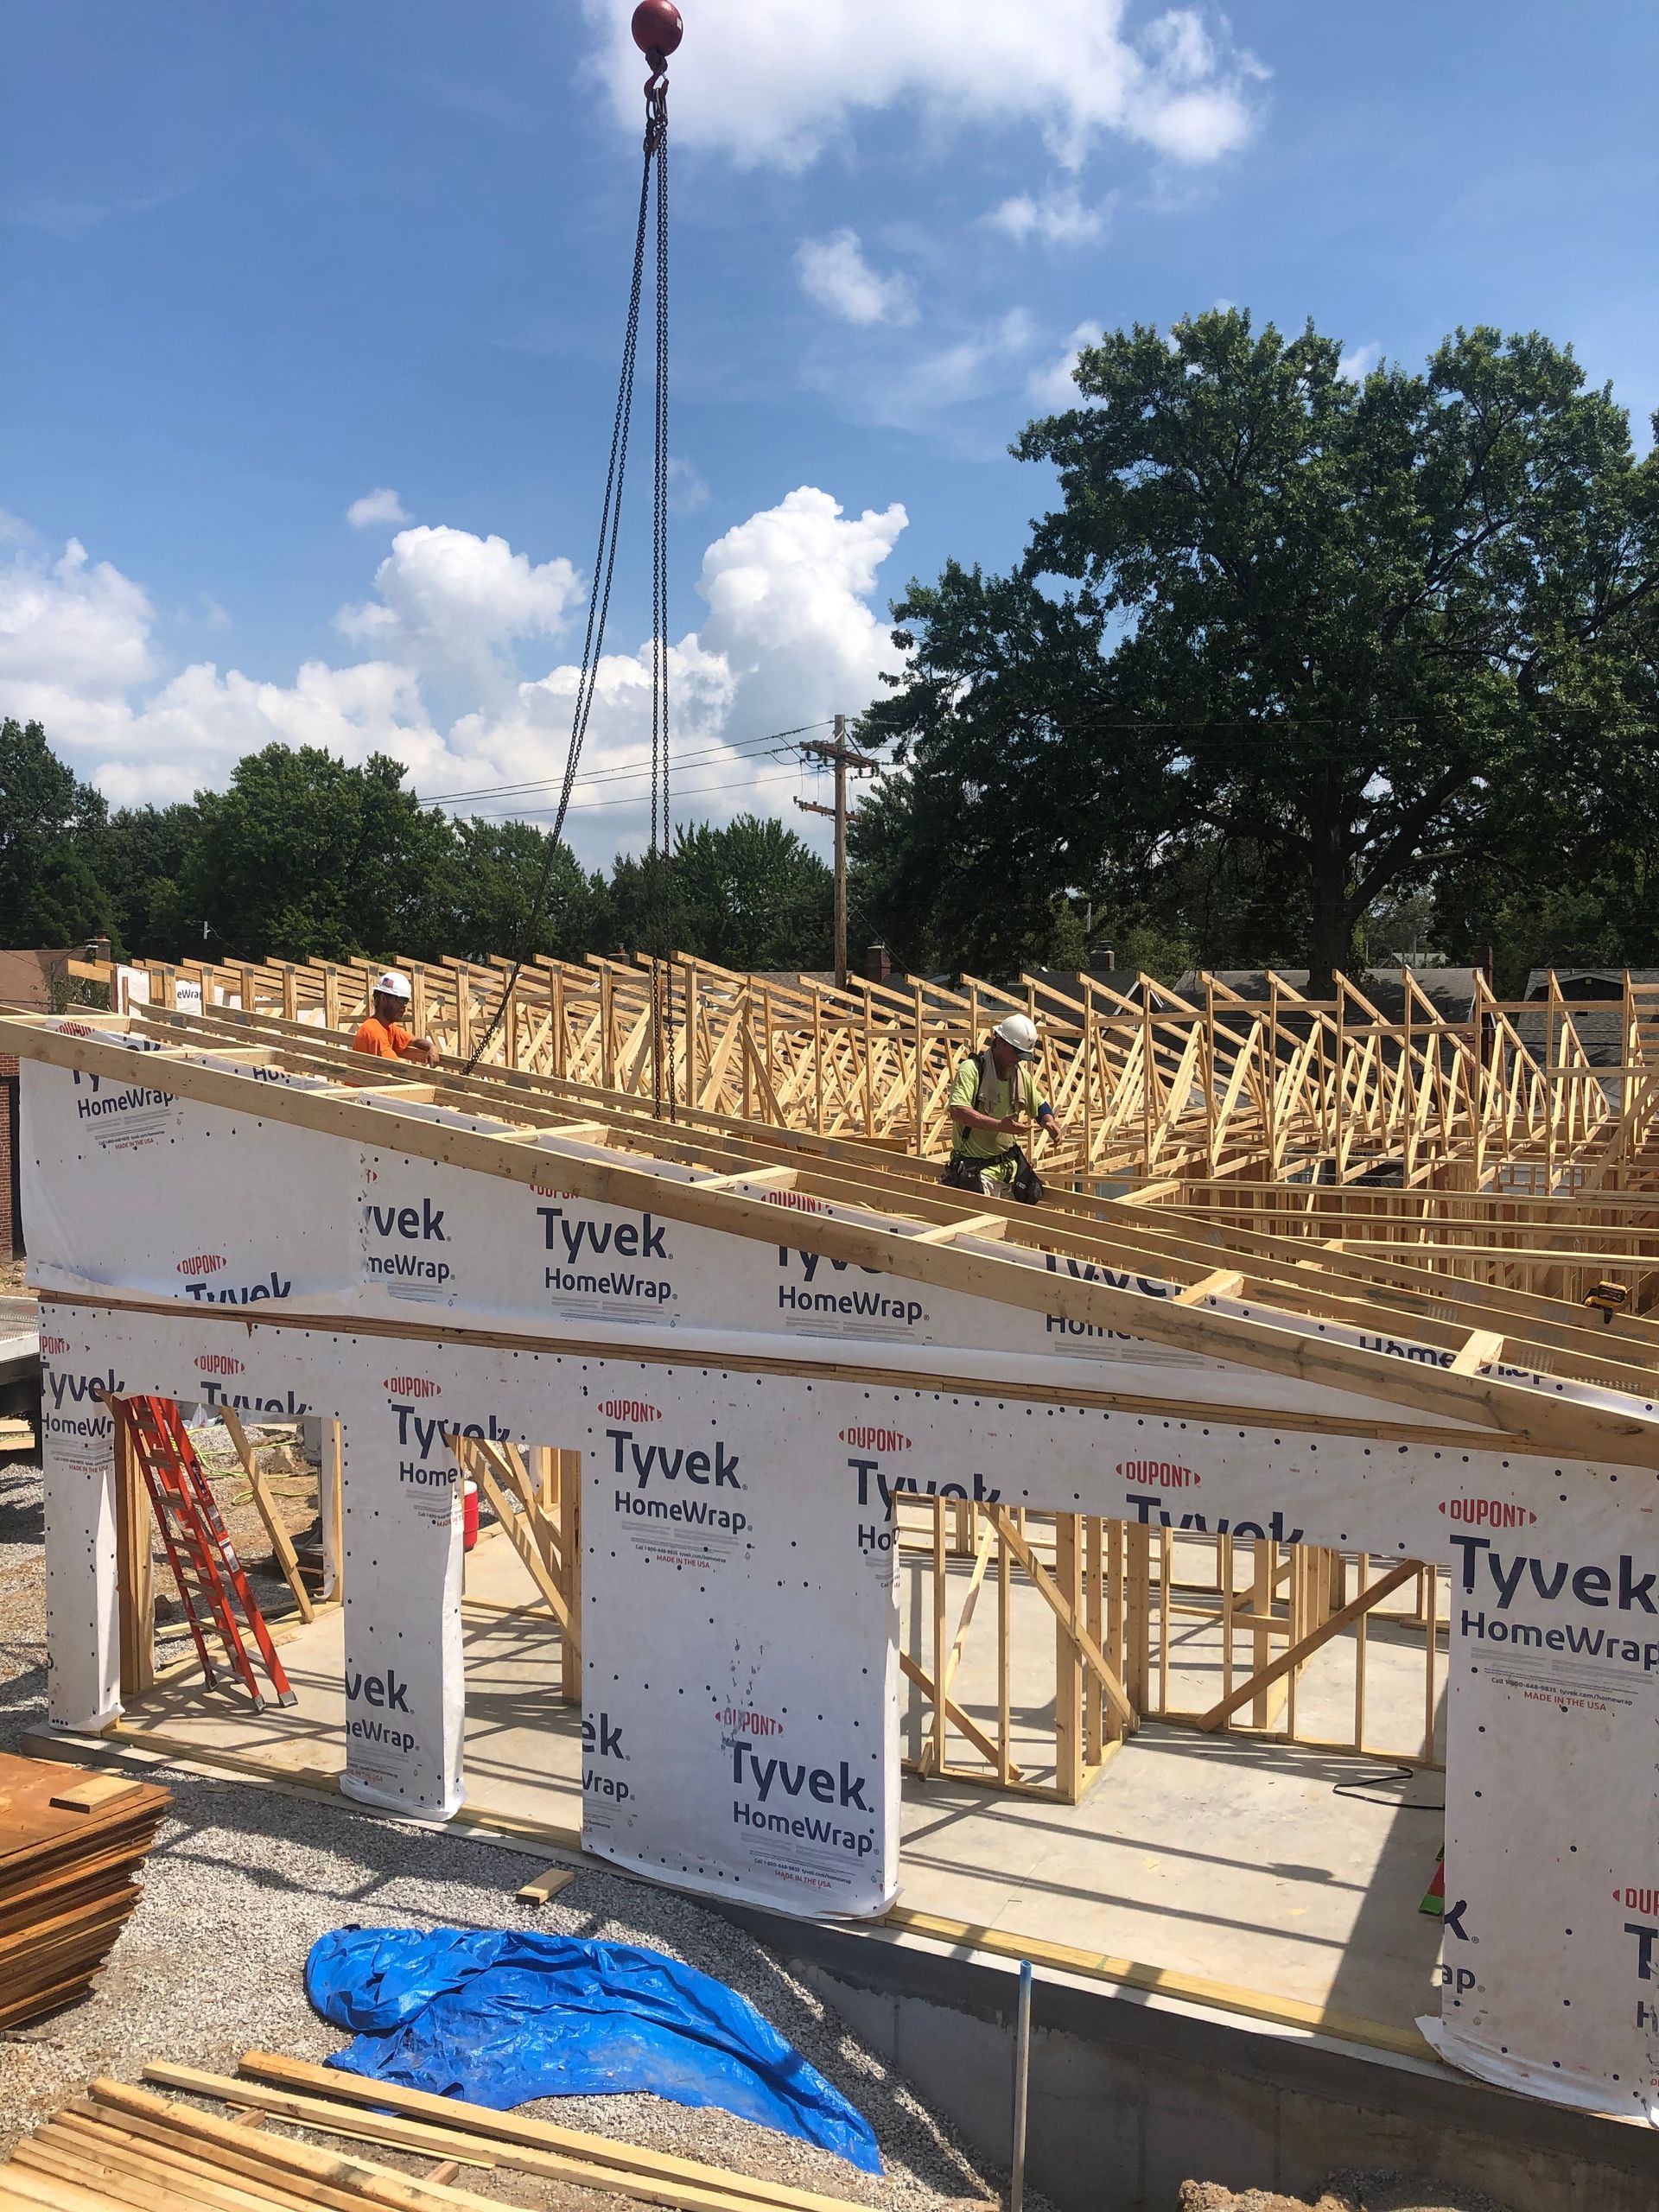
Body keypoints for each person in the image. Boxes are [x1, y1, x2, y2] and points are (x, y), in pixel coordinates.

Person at [943, 1013, 1062, 1200]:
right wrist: (999, 1126)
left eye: (1023, 1054)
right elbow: (958, 1111)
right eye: (1016, 1052)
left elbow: (1039, 1105)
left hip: (1010, 1169)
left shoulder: (1019, 1075)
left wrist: (1049, 1122)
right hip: (980, 1173)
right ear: (998, 1042)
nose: (1019, 1059)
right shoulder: (972, 1070)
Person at [352, 971, 439, 1066]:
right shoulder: (373, 1031)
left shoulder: (388, 1027)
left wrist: (432, 1047)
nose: (404, 1006)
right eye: (400, 1000)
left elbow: (414, 1040)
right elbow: (398, 1069)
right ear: (383, 999)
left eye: (406, 1001)